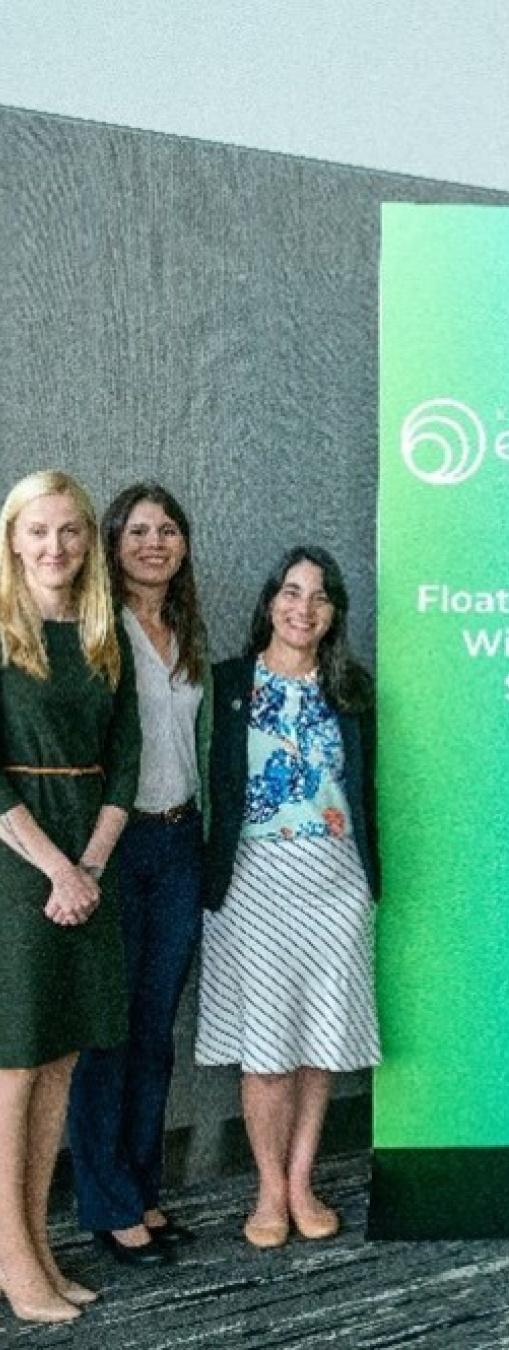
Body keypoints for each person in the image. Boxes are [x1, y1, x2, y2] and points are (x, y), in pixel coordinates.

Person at [196, 545, 379, 1249]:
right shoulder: (228, 685)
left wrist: (369, 879)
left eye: (321, 596)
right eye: (292, 592)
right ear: (270, 599)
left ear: (335, 613)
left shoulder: (352, 691)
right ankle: (268, 1188)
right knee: (266, 1050)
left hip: (335, 884)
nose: (304, 608)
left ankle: (302, 1181)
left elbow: (366, 795)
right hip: (253, 883)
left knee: (320, 1044)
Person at [0, 470, 139, 1323]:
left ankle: (41, 1249)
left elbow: (126, 761)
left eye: (72, 532)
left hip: (89, 863)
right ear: (13, 540)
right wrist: (57, 871)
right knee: (15, 1066)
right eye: (38, 531)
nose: (56, 547)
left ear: (89, 542)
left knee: (60, 1061)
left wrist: (88, 866)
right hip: (19, 870)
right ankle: (13, 1262)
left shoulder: (102, 630)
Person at [67, 484, 209, 1267]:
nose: (154, 541)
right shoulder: (96, 630)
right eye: (138, 530)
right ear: (113, 542)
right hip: (112, 851)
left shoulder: (184, 629)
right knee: (108, 1036)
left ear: (183, 545)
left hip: (179, 847)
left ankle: (142, 1189)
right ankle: (107, 1202)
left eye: (168, 529)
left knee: (154, 1034)